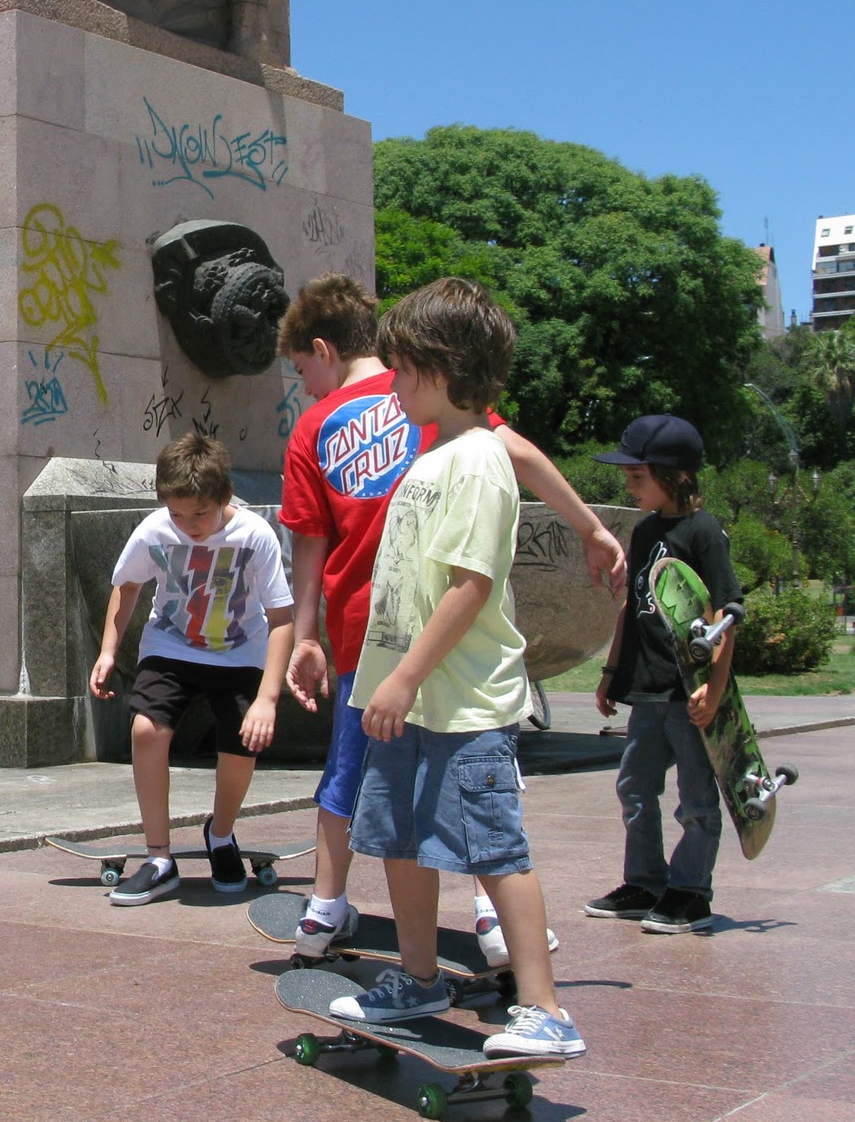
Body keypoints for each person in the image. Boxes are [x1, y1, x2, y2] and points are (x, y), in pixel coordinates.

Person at [277, 274, 626, 967]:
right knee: (424, 799)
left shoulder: (358, 421)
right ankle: (478, 928)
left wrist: (308, 633)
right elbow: (519, 450)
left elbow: (310, 542)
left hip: (375, 640)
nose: (304, 387)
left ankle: (326, 906)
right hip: (410, 646)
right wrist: (587, 525)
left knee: (365, 777)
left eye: (299, 370)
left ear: (322, 349)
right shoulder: (436, 409)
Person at [328, 277, 585, 1058]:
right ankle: (418, 975)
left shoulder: (476, 459)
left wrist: (403, 677)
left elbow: (471, 586)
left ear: (440, 369)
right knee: (400, 840)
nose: (392, 384)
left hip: (464, 704)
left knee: (493, 850)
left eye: (401, 369)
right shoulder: (437, 454)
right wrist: (390, 684)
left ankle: (546, 1011)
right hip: (407, 702)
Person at [89, 433, 295, 905]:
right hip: (173, 645)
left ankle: (220, 834)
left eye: (199, 514)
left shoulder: (254, 534)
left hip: (239, 650)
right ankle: (159, 857)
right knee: (146, 730)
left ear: (224, 497)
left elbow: (281, 619)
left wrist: (266, 698)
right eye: (177, 514)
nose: (188, 526)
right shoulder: (155, 530)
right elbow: (127, 587)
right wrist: (107, 651)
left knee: (243, 743)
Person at [586, 415, 742, 934]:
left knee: (696, 798)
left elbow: (727, 612)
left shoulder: (704, 532)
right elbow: (631, 606)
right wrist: (612, 671)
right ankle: (645, 881)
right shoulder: (645, 530)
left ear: (673, 476)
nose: (629, 486)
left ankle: (691, 891)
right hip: (648, 688)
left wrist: (714, 688)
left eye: (638, 477)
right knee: (635, 787)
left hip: (689, 689)